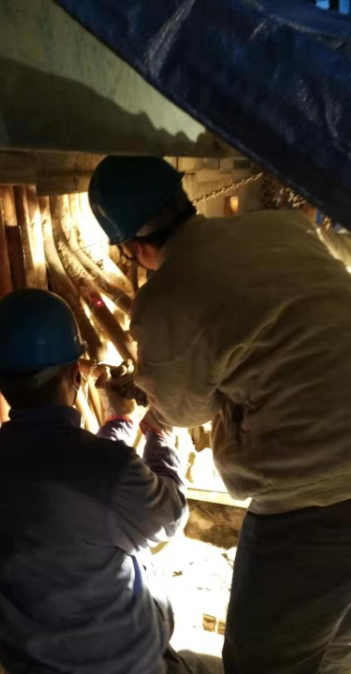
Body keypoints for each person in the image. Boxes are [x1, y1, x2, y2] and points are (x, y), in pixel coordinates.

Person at [88, 155, 351, 674]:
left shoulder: (169, 297)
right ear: (184, 198)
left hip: (313, 500)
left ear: (133, 247)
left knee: (263, 662)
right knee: (338, 649)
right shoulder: (281, 227)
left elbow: (184, 411)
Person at [0, 289, 222, 674]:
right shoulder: (104, 469)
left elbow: (89, 481)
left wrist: (119, 421)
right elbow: (170, 516)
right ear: (74, 374)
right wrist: (158, 434)